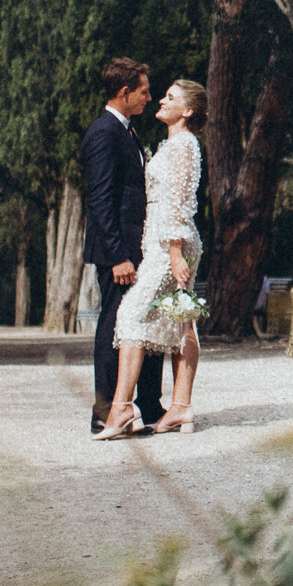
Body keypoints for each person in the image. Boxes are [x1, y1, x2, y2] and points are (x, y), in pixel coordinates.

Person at [95, 79, 206, 439]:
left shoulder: (185, 144)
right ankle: (180, 408)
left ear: (187, 111)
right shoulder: (171, 144)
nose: (161, 99)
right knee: (180, 320)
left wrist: (175, 251)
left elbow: (182, 201)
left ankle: (122, 410)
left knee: (131, 315)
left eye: (171, 97)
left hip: (170, 244)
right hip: (158, 242)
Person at [81, 57, 164, 434]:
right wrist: (118, 257)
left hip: (135, 248)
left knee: (138, 325)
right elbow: (99, 200)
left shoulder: (127, 132)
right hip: (119, 253)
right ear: (125, 92)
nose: (150, 98)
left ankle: (146, 405)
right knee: (113, 327)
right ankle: (104, 414)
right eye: (144, 91)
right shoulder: (103, 133)